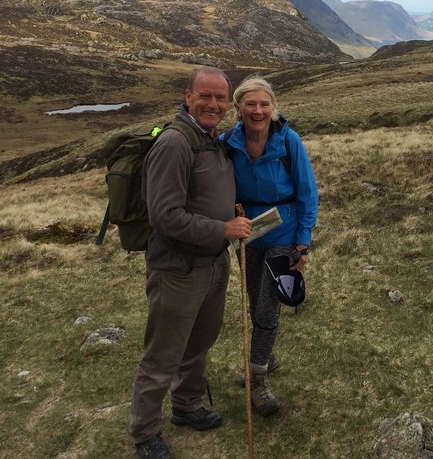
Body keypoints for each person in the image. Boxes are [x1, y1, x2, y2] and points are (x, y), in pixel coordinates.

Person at [127, 67, 252, 459]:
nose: (213, 104)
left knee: (199, 342)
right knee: (163, 354)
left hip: (214, 264)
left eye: (220, 98)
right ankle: (144, 433)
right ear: (187, 96)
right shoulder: (174, 144)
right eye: (205, 96)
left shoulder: (213, 140)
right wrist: (223, 228)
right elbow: (165, 217)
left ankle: (186, 405)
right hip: (178, 269)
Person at [221, 76, 319, 416]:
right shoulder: (226, 143)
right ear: (238, 109)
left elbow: (307, 193)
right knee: (253, 299)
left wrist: (302, 243)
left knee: (266, 307)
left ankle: (258, 379)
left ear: (273, 107)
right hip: (247, 234)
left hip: (284, 232)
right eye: (251, 104)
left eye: (264, 104)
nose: (258, 110)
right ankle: (267, 355)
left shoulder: (289, 141)